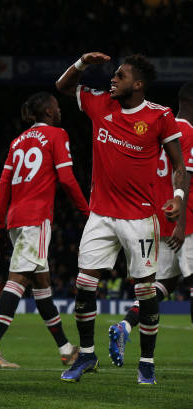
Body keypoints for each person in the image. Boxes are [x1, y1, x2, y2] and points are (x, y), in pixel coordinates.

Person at [55, 52, 187, 384]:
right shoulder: (101, 105)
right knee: (84, 286)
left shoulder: (160, 116)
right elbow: (62, 86)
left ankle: (146, 362)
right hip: (100, 214)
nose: (112, 79)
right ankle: (86, 356)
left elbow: (180, 166)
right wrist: (82, 62)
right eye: (113, 74)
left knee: (145, 291)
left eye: (121, 76)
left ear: (138, 84)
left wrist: (177, 197)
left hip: (140, 218)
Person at [0, 92, 89, 369]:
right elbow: (67, 178)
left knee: (42, 285)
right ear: (49, 112)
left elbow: (4, 185)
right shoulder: (57, 135)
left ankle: (65, 349)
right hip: (35, 218)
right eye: (58, 107)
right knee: (19, 280)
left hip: (16, 218)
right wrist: (87, 211)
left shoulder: (17, 142)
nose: (60, 111)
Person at [108, 81, 193, 367]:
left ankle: (125, 326)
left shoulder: (159, 127)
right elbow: (185, 177)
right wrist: (181, 226)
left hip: (155, 219)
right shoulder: (187, 132)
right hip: (183, 222)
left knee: (163, 283)